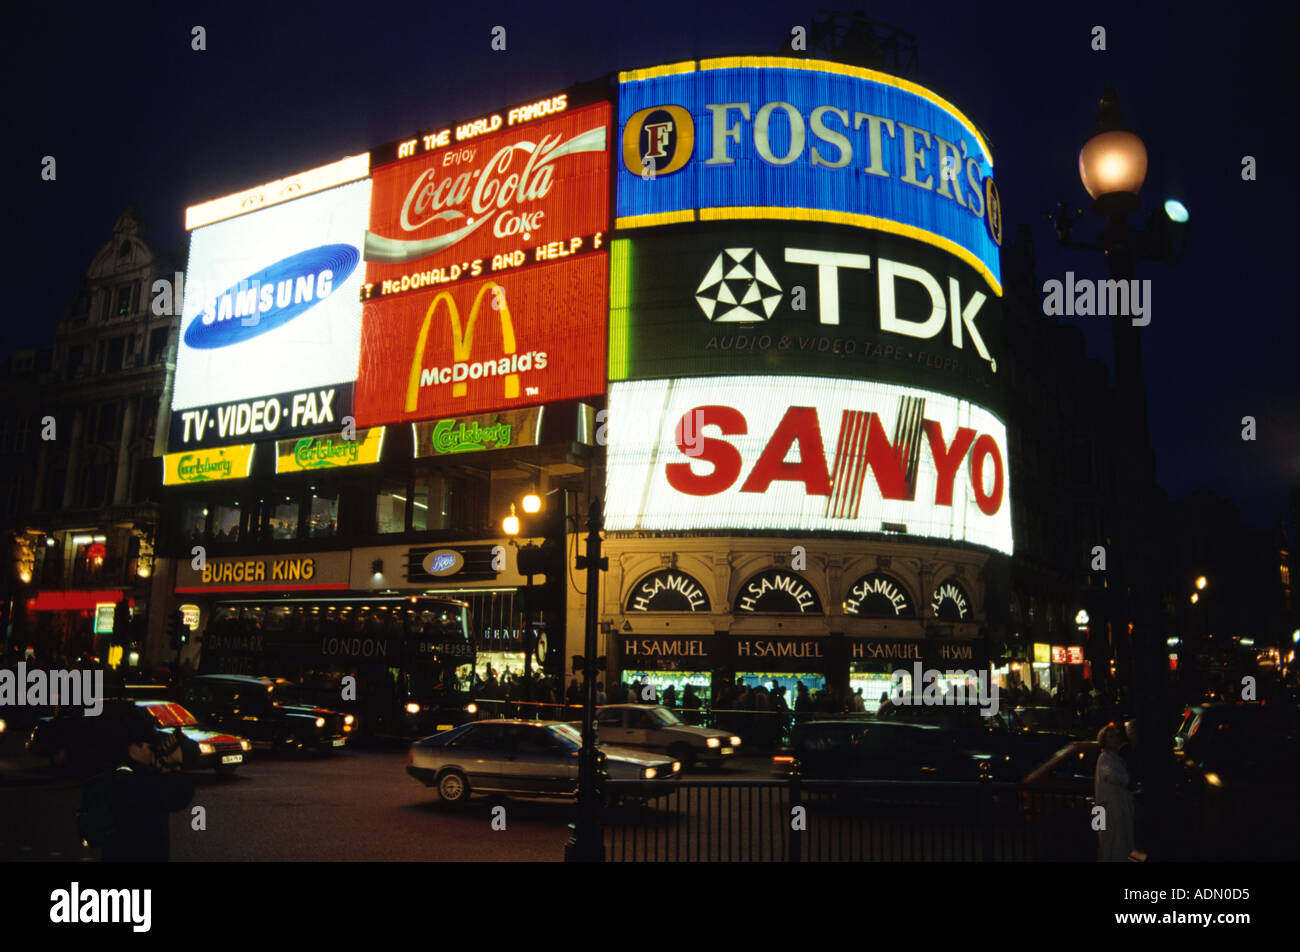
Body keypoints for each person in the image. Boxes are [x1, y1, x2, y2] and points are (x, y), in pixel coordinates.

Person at [99, 715, 195, 862]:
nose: (153, 752)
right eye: (150, 746)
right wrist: (174, 767)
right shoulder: (126, 777)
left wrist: (169, 768)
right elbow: (175, 798)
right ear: (134, 749)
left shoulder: (135, 774)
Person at [1094, 724, 1135, 862]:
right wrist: (1126, 780)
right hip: (1111, 810)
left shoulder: (1113, 757)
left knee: (1111, 846)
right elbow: (1110, 774)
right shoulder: (1106, 758)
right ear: (1104, 740)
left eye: (1116, 735)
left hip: (1112, 809)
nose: (1115, 739)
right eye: (1110, 736)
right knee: (1112, 845)